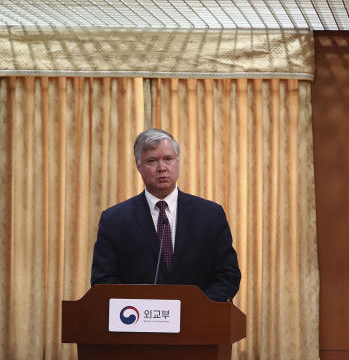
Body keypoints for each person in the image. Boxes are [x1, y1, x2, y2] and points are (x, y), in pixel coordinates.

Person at [90, 128, 241, 302]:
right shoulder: (114, 220)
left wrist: (197, 307)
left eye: (168, 159)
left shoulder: (210, 215)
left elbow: (228, 275)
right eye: (152, 161)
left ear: (177, 162)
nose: (162, 168)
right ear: (139, 166)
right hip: (137, 323)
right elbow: (103, 280)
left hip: (197, 322)